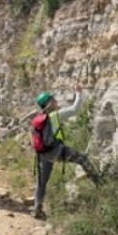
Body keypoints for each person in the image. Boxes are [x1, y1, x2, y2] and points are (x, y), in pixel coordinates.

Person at [32, 84, 100, 219]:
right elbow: (75, 109)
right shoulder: (54, 116)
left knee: (41, 183)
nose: (56, 101)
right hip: (56, 151)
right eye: (54, 100)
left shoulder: (37, 119)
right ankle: (100, 184)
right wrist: (79, 93)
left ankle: (37, 209)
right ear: (49, 103)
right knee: (82, 159)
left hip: (42, 154)